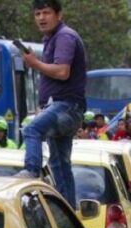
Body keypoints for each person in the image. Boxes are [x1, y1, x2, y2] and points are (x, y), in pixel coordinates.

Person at [16, 0, 87, 206]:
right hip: (64, 108)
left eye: (46, 13)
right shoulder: (51, 39)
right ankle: (70, 214)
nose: (41, 18)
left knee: (31, 130)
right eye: (37, 14)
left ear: (59, 15)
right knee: (60, 166)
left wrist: (35, 63)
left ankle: (31, 171)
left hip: (66, 107)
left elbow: (62, 72)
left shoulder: (65, 36)